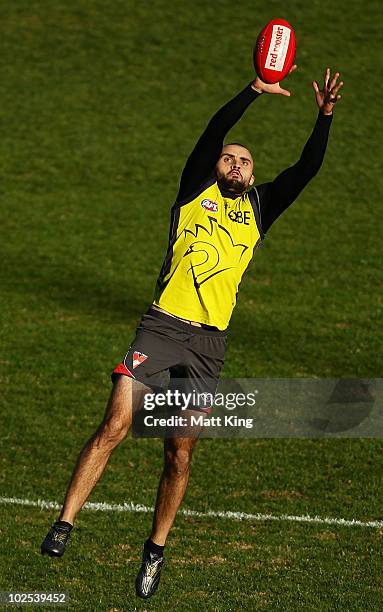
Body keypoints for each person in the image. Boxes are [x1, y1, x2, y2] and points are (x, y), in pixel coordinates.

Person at [41, 66, 343, 599]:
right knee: (114, 425)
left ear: (252, 176)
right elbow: (212, 129)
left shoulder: (260, 209)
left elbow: (307, 168)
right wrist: (254, 92)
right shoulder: (194, 190)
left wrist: (324, 118)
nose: (236, 163)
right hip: (161, 327)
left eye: (245, 161)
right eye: (230, 157)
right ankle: (65, 522)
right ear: (216, 165)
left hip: (208, 347)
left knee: (178, 453)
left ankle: (154, 550)